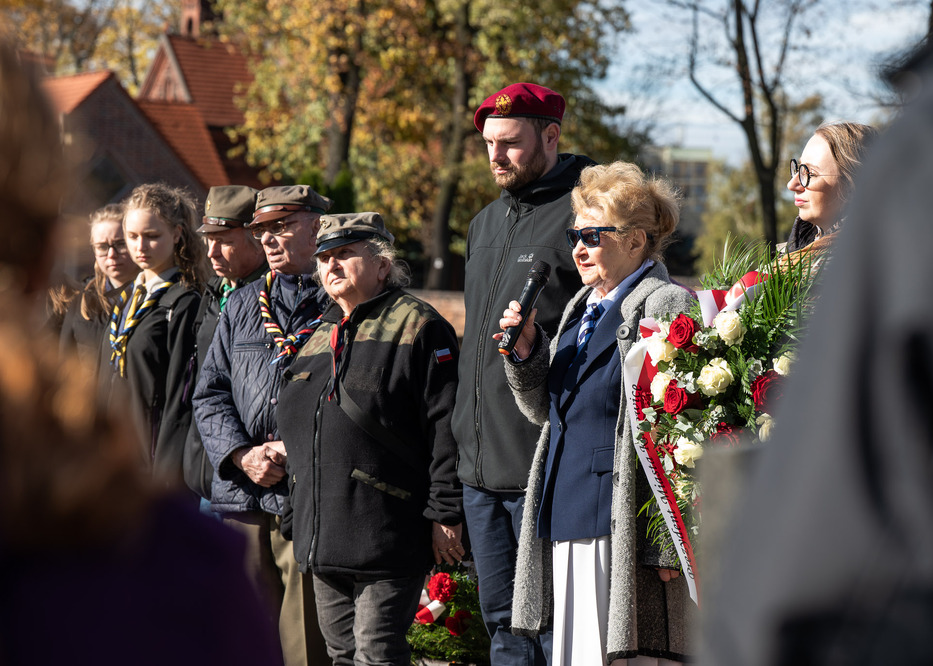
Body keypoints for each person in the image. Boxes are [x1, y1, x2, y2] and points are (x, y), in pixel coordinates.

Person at [0, 6, 279, 663]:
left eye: (145, 238)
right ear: (44, 251)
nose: (130, 251)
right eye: (122, 240)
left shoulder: (190, 307)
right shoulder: (175, 577)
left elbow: (189, 397)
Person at [701, 44, 933, 666]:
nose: (793, 185)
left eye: (808, 172)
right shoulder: (789, 262)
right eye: (793, 170)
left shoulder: (857, 267)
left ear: (853, 182)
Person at [499, 162, 696, 665]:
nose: (578, 249)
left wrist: (667, 542)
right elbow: (545, 412)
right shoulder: (582, 306)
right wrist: (526, 354)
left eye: (592, 235)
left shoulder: (666, 304)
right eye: (574, 236)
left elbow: (684, 436)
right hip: (566, 507)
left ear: (635, 241)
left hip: (619, 519)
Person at [275, 212, 464, 666]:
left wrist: (445, 511)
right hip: (323, 534)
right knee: (341, 656)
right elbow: (300, 429)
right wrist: (295, 506)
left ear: (382, 265)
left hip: (387, 532)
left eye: (345, 254)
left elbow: (447, 426)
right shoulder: (318, 333)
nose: (332, 265)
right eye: (324, 258)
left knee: (377, 655)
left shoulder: (419, 326)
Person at [452, 81, 595, 665]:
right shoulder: (483, 223)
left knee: (553, 630)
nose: (496, 156)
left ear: (551, 136)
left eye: (509, 143)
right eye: (489, 143)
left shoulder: (587, 215)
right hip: (479, 468)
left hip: (544, 462)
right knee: (502, 627)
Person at [193, 185, 334, 666]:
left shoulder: (341, 300)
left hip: (305, 494)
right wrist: (241, 454)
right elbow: (209, 393)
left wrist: (294, 450)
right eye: (261, 231)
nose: (268, 239)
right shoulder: (241, 303)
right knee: (242, 635)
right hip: (242, 494)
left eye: (281, 227)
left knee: (303, 642)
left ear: (317, 227)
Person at [98, 183, 209, 488]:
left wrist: (164, 479)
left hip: (151, 464)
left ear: (177, 234)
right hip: (111, 458)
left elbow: (180, 400)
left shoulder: (183, 302)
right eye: (132, 236)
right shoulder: (127, 298)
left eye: (152, 236)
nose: (140, 247)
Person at [184, 185, 266, 501]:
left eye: (225, 242)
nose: (211, 252)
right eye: (209, 240)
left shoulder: (272, 301)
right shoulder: (214, 292)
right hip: (200, 470)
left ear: (257, 240)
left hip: (245, 476)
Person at [59, 203, 139, 368]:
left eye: (120, 244)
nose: (111, 254)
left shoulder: (154, 297)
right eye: (102, 247)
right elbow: (64, 357)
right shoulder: (82, 300)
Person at [781, 121, 877, 256]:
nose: (791, 185)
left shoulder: (866, 260)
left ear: (851, 188)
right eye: (799, 169)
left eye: (810, 174)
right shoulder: (792, 252)